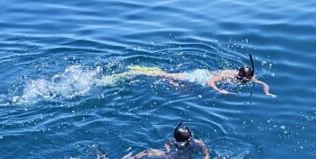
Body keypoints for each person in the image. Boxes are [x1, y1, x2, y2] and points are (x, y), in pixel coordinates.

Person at [109, 54, 275, 97]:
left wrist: (267, 92)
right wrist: (220, 91)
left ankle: (144, 70)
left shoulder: (246, 77)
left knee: (181, 89)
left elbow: (262, 83)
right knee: (166, 76)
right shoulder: (228, 75)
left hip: (201, 78)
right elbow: (211, 81)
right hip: (198, 77)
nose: (248, 80)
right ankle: (135, 71)